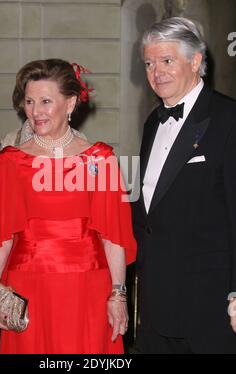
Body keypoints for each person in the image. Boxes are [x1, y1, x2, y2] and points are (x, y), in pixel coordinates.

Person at [0, 59, 137, 354]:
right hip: (29, 288)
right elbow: (0, 239)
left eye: (46, 101)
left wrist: (118, 295)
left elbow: (113, 238)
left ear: (71, 103)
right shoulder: (10, 162)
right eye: (29, 101)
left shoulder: (100, 160)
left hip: (88, 287)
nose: (36, 111)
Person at [133, 16, 236, 354]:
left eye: (166, 61)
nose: (156, 71)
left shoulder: (227, 119)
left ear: (195, 62)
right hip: (155, 301)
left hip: (208, 303)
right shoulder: (152, 122)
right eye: (149, 63)